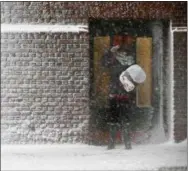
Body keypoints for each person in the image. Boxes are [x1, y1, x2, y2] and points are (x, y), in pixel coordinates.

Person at [101, 38, 146, 150]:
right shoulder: (125, 63)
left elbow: (104, 63)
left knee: (117, 120)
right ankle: (123, 144)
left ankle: (118, 144)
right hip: (120, 95)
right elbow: (104, 63)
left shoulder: (124, 63)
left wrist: (110, 53)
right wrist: (110, 53)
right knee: (120, 120)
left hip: (120, 95)